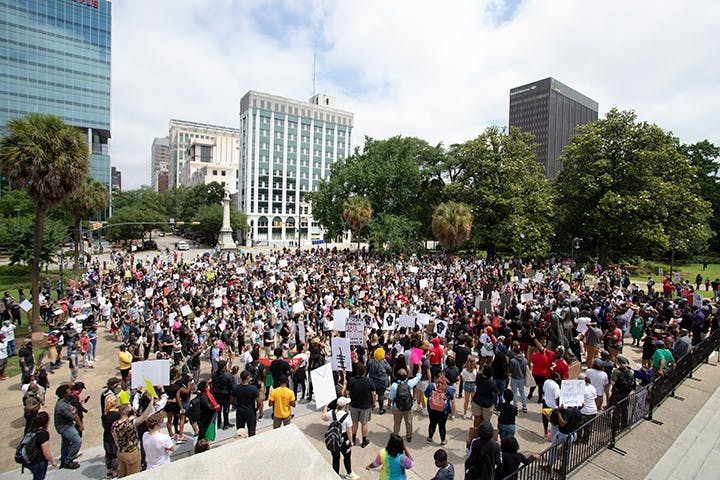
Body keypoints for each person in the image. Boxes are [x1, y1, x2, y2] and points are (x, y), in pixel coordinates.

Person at [111, 397, 155, 477]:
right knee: (133, 475)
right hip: (132, 452)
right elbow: (143, 417)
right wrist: (151, 403)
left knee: (122, 474)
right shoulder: (130, 423)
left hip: (121, 451)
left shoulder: (115, 424)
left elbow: (115, 437)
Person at [321, 396, 357, 479]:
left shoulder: (331, 413)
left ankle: (335, 475)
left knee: (335, 458)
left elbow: (323, 418)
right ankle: (349, 473)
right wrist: (351, 441)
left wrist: (326, 407)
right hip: (344, 438)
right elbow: (349, 431)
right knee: (347, 457)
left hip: (334, 437)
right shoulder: (347, 416)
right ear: (345, 405)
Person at [346, 363, 376, 447]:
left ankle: (353, 439)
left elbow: (348, 392)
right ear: (364, 371)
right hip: (365, 406)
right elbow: (373, 393)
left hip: (354, 405)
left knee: (354, 422)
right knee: (364, 423)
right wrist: (373, 403)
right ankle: (364, 441)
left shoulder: (351, 380)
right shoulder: (369, 381)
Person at [53, 384, 82, 469]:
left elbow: (74, 410)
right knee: (77, 441)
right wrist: (80, 425)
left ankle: (64, 458)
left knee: (65, 443)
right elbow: (73, 415)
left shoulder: (65, 401)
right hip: (65, 427)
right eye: (68, 390)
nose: (70, 391)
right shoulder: (62, 406)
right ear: (64, 394)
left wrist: (74, 411)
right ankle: (68, 460)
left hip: (66, 425)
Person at [388, 367, 421, 442]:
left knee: (397, 423)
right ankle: (409, 436)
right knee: (409, 422)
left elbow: (391, 397)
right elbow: (418, 376)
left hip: (397, 407)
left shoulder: (394, 385)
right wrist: (419, 365)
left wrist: (389, 404)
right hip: (408, 406)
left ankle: (395, 436)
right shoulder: (410, 383)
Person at [24, 411, 58, 480]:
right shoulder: (43, 434)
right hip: (38, 461)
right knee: (39, 477)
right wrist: (52, 461)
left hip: (29, 460)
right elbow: (46, 451)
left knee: (36, 477)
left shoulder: (31, 430)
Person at [425, 373, 455, 445]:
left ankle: (430, 437)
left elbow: (426, 394)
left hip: (432, 409)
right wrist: (453, 412)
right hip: (443, 411)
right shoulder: (447, 388)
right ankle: (443, 440)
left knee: (432, 423)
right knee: (442, 426)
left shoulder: (431, 386)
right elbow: (452, 398)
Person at [231, 370, 261, 436]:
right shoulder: (253, 388)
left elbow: (231, 400)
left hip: (240, 411)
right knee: (252, 431)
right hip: (250, 411)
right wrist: (257, 409)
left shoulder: (236, 388)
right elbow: (259, 402)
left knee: (240, 432)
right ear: (248, 377)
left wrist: (236, 405)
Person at [211, 360, 234, 430]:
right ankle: (226, 423)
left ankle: (219, 422)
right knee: (226, 409)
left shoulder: (214, 374)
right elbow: (231, 387)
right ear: (224, 366)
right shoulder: (228, 375)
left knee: (219, 409)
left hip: (217, 394)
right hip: (226, 395)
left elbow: (213, 384)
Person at [368, 347, 391, 414]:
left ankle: (371, 407)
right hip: (382, 382)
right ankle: (381, 409)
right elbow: (390, 370)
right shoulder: (384, 362)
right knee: (381, 395)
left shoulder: (371, 361)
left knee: (372, 394)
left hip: (372, 381)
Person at [508, 345, 528, 413]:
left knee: (514, 393)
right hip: (521, 378)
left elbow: (510, 369)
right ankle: (524, 406)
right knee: (522, 392)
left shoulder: (513, 361)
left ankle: (515, 406)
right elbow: (525, 370)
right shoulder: (525, 360)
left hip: (514, 378)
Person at [541, 372, 561, 440]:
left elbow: (543, 390)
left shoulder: (546, 381)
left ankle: (546, 433)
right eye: (558, 377)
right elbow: (556, 397)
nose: (559, 379)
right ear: (555, 378)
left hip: (545, 403)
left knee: (545, 419)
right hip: (552, 406)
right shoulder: (556, 386)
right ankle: (554, 436)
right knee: (554, 423)